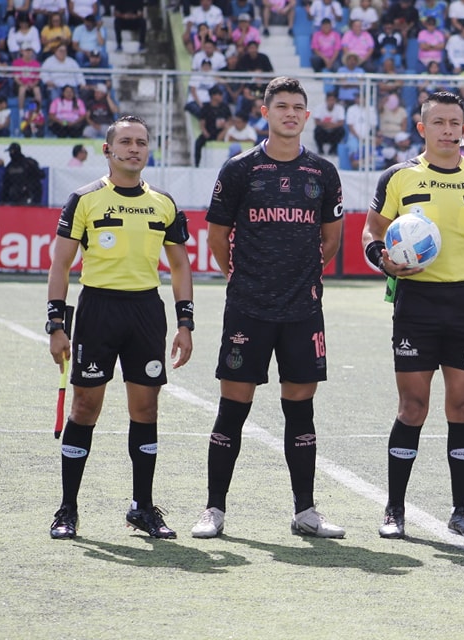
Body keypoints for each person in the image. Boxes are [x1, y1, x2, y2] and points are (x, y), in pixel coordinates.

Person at [361, 90, 464, 539]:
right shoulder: (399, 178)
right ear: (422, 128)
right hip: (416, 303)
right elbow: (370, 231)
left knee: (463, 407)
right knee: (412, 406)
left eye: (455, 123)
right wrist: (381, 259)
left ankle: (462, 510)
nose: (448, 130)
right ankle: (394, 509)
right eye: (439, 123)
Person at [191, 77, 346, 540]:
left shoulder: (323, 173)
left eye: (298, 107)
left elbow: (331, 238)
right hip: (248, 309)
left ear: (307, 116)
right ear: (266, 112)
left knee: (300, 410)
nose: (290, 114)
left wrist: (305, 278)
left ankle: (306, 511)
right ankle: (214, 510)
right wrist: (239, 276)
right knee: (233, 407)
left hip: (303, 310)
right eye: (282, 106)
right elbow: (217, 235)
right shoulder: (239, 169)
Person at [47, 115, 194, 540]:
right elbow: (61, 264)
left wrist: (185, 323)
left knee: (146, 410)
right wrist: (55, 323)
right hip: (98, 310)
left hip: (146, 312)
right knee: (85, 408)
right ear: (108, 150)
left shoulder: (163, 202)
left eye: (142, 142)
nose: (134, 148)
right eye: (125, 142)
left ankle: (142, 508)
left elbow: (180, 266)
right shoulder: (85, 199)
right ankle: (67, 509)